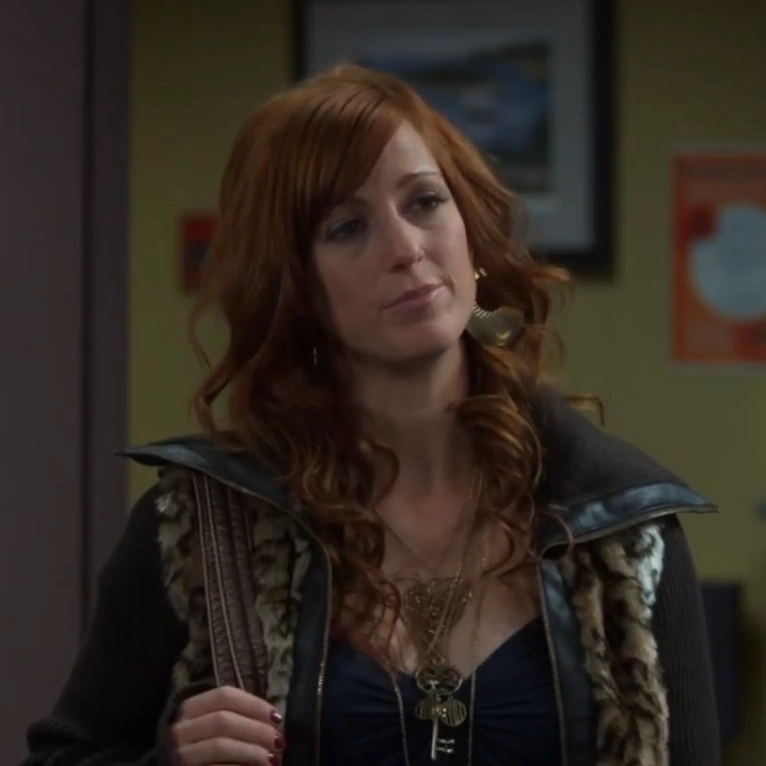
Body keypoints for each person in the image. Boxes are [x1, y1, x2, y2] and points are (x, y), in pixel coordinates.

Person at [23, 64, 721, 766]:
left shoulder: (619, 525)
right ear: (295, 286)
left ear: (470, 234)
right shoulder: (202, 527)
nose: (406, 249)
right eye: (347, 226)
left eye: (425, 202)